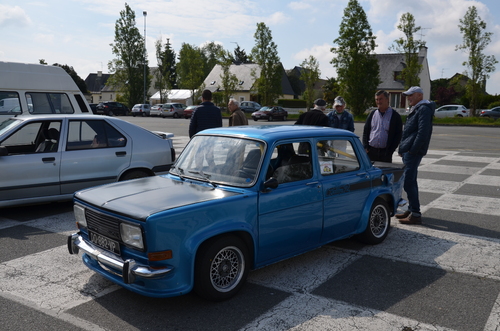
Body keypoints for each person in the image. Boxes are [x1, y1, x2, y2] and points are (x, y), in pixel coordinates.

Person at [396, 86, 435, 225]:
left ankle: (416, 214)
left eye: (411, 95)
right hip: (409, 150)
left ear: (419, 95)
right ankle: (412, 210)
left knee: (408, 182)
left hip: (413, 152)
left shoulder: (423, 109)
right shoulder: (417, 108)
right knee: (410, 181)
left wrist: (412, 150)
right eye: (407, 96)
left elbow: (423, 133)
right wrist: (403, 148)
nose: (408, 98)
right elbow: (408, 131)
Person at [362, 90, 403, 163]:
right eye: (376, 99)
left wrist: (390, 150)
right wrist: (366, 147)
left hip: (385, 153)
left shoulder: (395, 116)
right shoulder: (372, 114)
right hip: (371, 151)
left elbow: (398, 135)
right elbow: (366, 131)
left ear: (387, 99)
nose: (378, 102)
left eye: (380, 99)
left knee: (384, 173)